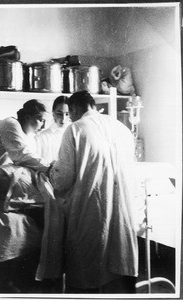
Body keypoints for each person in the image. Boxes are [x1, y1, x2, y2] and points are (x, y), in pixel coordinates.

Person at [49, 91, 138, 293]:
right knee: (119, 259)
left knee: (88, 267)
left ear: (73, 109)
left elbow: (63, 179)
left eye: (69, 113)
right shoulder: (120, 127)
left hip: (91, 207)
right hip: (122, 206)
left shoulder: (76, 129)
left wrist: (51, 170)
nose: (68, 118)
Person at [0, 99, 49, 173]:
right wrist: (49, 168)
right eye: (41, 120)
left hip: (3, 173)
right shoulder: (11, 124)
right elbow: (21, 155)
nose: (43, 126)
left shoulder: (28, 136)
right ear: (27, 117)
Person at [35, 96, 69, 163]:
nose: (63, 118)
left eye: (67, 114)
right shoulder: (41, 137)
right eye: (59, 113)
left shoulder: (74, 136)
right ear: (53, 113)